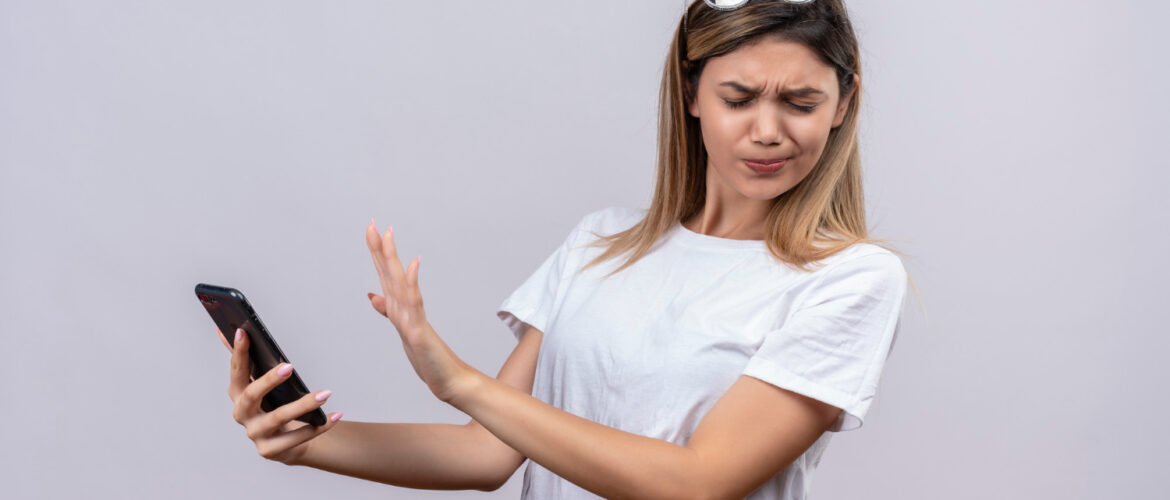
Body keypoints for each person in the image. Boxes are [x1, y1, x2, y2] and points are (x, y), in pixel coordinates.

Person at [217, 0, 915, 498]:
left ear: (843, 104)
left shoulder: (850, 279)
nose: (769, 131)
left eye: (800, 103)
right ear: (692, 93)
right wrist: (309, 442)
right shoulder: (599, 244)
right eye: (739, 98)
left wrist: (458, 378)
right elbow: (489, 451)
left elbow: (698, 482)